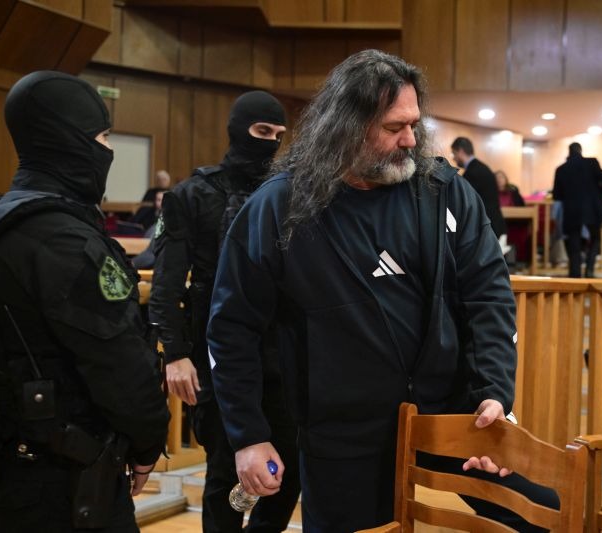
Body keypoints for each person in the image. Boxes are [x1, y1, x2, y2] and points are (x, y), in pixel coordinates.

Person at [207, 49, 556, 533]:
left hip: (452, 415)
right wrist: (248, 435)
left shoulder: (443, 191)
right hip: (342, 435)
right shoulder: (280, 207)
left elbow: (488, 296)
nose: (410, 139)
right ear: (346, 126)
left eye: (414, 124)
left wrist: (493, 392)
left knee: (548, 514)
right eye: (394, 127)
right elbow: (232, 328)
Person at [0, 70, 169, 531]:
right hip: (64, 481)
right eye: (103, 137)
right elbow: (120, 365)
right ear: (69, 140)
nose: (108, 150)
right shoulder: (67, 243)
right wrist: (148, 443)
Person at [149, 90, 300, 533]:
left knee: (288, 467)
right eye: (261, 131)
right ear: (238, 129)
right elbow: (167, 283)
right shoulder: (192, 195)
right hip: (217, 352)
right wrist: (176, 353)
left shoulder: (288, 193)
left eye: (279, 135)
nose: (271, 142)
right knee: (224, 470)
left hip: (282, 351)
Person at [553, 142, 602, 278]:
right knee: (596, 238)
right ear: (580, 151)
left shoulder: (561, 169)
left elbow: (557, 195)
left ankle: (575, 274)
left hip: (571, 211)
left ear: (569, 152)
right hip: (593, 209)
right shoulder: (592, 163)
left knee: (574, 243)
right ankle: (589, 269)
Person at [451, 137, 507, 240]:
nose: (453, 158)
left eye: (454, 153)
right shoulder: (481, 167)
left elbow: (466, 203)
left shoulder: (472, 173)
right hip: (494, 224)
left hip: (487, 228)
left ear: (461, 151)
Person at [495, 170, 528, 264]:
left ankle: (514, 261)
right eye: (497, 178)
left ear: (506, 179)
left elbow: (522, 207)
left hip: (514, 222)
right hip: (498, 222)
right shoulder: (491, 193)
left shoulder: (513, 192)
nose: (499, 180)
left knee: (517, 233)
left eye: (501, 177)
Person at [131, 190, 164, 270]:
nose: (160, 203)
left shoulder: (163, 225)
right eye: (157, 200)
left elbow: (150, 255)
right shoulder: (147, 212)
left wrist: (130, 264)